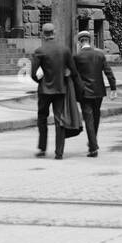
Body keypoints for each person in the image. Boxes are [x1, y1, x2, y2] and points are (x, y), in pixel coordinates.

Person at [30, 22, 79, 159]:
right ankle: (59, 152)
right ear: (54, 33)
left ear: (43, 35)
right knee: (59, 120)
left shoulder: (40, 51)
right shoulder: (64, 49)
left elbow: (33, 73)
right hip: (60, 89)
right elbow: (73, 71)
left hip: (44, 90)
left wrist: (41, 81)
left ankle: (42, 148)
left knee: (42, 119)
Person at [74, 30, 117, 158]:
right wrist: (113, 88)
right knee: (96, 117)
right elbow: (108, 72)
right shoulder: (99, 55)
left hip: (85, 93)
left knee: (88, 119)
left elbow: (74, 75)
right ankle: (93, 140)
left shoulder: (77, 57)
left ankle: (93, 147)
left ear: (80, 42)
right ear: (90, 41)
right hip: (99, 92)